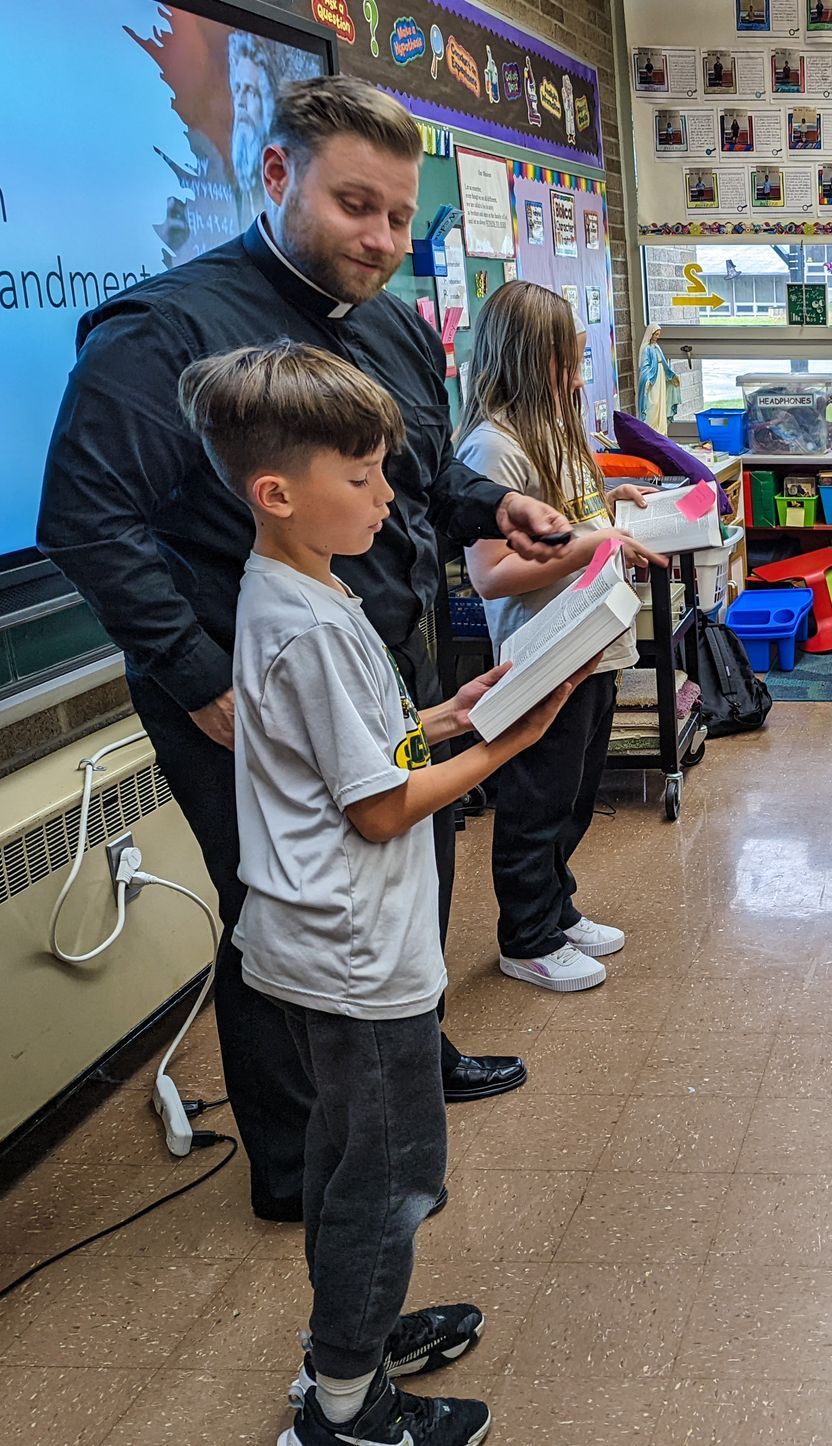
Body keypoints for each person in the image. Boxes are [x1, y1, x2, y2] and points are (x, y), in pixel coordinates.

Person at [37, 76, 574, 1221]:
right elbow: (86, 520)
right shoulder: (164, 332)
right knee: (289, 919)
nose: (380, 238)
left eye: (398, 215)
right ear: (276, 175)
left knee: (409, 871)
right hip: (249, 694)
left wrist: (496, 508)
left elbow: (416, 476)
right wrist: (197, 680)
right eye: (354, 205)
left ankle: (409, 1060)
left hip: (381, 662)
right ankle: (295, 1163)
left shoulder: (389, 323)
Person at [178, 342, 584, 1446]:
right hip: (356, 954)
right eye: (360, 479)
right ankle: (350, 1408)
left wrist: (450, 715)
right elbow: (379, 808)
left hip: (324, 940)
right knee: (391, 1178)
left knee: (347, 1158)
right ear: (276, 494)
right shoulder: (308, 623)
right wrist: (506, 747)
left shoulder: (305, 588)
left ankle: (348, 1339)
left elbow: (361, 749)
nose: (386, 498)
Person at [456, 283, 663, 991]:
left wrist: (609, 503)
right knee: (536, 801)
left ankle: (557, 908)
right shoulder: (492, 447)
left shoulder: (555, 428)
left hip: (595, 647)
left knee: (574, 795)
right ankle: (527, 937)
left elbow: (566, 517)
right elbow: (491, 574)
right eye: (562, 362)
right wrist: (593, 542)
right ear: (522, 359)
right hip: (544, 656)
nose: (576, 378)